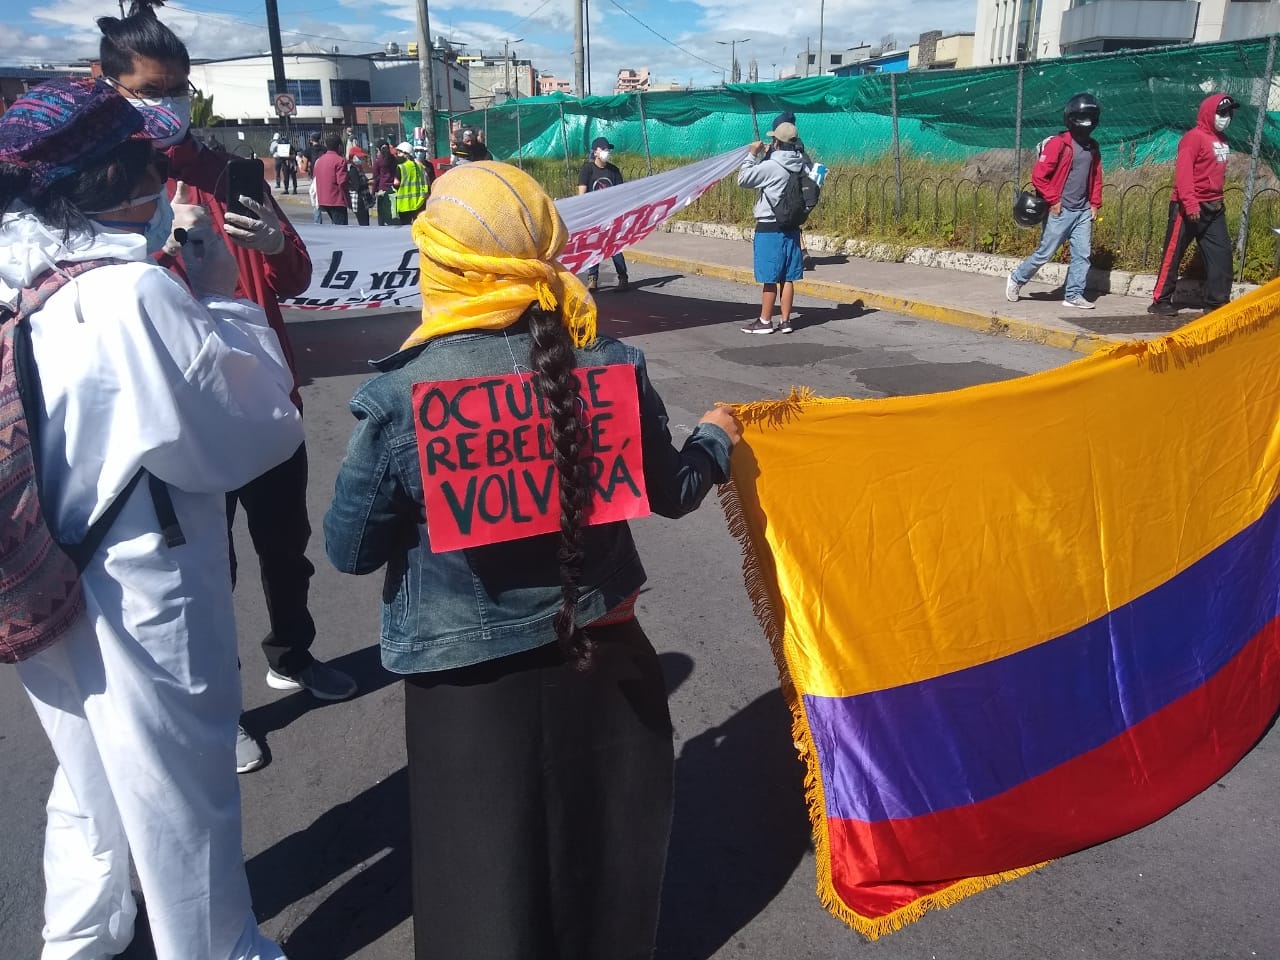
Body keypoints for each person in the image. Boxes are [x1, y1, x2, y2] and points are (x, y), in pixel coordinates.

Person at [323, 161, 741, 960]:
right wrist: (716, 436)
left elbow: (350, 549)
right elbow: (677, 490)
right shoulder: (609, 362)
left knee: (483, 875)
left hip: (464, 687)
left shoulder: (403, 395)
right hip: (603, 650)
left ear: (443, 263)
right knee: (601, 854)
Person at [0, 75, 300, 960]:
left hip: (36, 561)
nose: (163, 180)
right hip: (137, 576)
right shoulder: (132, 295)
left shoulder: (20, 276)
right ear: (116, 178)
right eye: (148, 160)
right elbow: (254, 425)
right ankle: (215, 948)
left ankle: (82, 936)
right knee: (181, 786)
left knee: (86, 770)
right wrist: (223, 297)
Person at [99, 3, 356, 777]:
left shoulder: (223, 168)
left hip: (269, 407)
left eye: (178, 88)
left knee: (285, 550)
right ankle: (223, 709)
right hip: (183, 421)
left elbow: (296, 275)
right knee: (206, 577)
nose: (169, 103)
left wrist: (275, 244)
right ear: (110, 86)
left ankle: (293, 654)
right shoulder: (106, 185)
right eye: (151, 89)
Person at [1005, 93, 1103, 310]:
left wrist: (1095, 203)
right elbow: (1038, 176)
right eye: (1082, 117)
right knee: (1045, 253)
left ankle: (1074, 295)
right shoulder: (1059, 144)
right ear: (1071, 118)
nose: (1086, 122)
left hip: (1082, 211)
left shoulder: (1092, 147)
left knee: (1082, 255)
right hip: (1060, 210)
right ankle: (1016, 279)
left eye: (1090, 117)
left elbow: (1096, 176)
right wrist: (1054, 200)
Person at [1149, 94, 1239, 317]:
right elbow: (1184, 174)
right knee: (1173, 253)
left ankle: (1217, 302)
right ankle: (1160, 300)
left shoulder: (1223, 140)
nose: (1226, 117)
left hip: (1214, 207)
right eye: (1222, 113)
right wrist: (1190, 204)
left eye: (1229, 113)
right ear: (1209, 113)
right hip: (1189, 206)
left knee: (1221, 254)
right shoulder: (1193, 138)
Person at [737, 121, 807, 334]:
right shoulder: (801, 163)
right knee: (788, 276)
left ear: (776, 142)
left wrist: (752, 155)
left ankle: (765, 321)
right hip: (792, 226)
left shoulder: (772, 166)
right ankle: (785, 321)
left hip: (769, 227)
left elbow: (744, 179)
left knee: (770, 277)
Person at [577, 136, 629, 291]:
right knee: (594, 247)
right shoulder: (587, 170)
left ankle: (623, 277)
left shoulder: (614, 171)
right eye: (604, 149)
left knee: (615, 247)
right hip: (593, 217)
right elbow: (582, 194)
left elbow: (620, 193)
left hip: (611, 216)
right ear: (595, 152)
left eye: (608, 149)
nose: (607, 152)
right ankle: (592, 279)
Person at [766, 110, 816, 270]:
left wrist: (766, 155)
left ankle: (795, 256)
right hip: (804, 193)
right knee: (794, 222)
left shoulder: (782, 149)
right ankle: (802, 252)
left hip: (788, 194)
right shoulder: (799, 146)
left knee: (787, 222)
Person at [313, 133, 350, 225]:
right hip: (337, 200)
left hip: (323, 199)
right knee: (341, 228)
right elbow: (342, 182)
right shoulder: (340, 160)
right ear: (339, 146)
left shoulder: (319, 161)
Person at [393, 140, 427, 225]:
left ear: (406, 154)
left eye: (399, 153)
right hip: (419, 203)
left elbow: (396, 184)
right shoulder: (420, 167)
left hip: (405, 205)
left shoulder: (401, 167)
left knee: (405, 228)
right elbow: (425, 183)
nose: (397, 155)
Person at [346, 153, 372, 226]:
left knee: (366, 223)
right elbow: (356, 186)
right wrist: (366, 183)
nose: (362, 160)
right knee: (363, 224)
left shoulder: (359, 169)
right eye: (360, 158)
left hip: (363, 200)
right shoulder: (353, 170)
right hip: (359, 201)